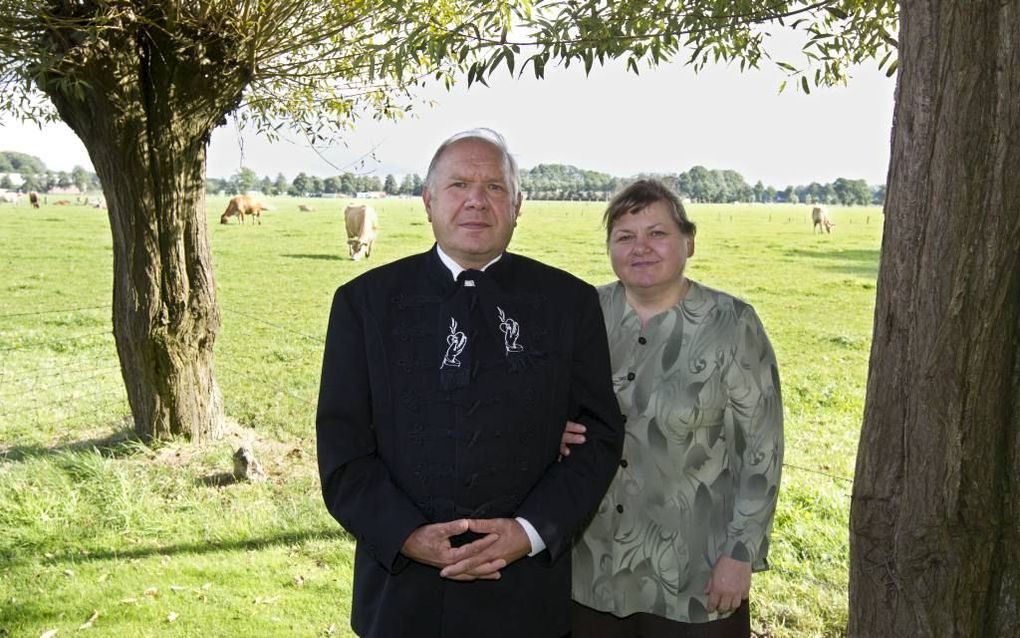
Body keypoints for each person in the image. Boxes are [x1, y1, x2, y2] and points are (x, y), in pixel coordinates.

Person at [316, 128, 624, 638]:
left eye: (495, 187)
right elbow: (343, 447)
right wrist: (408, 535)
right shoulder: (364, 303)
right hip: (402, 594)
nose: (477, 201)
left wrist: (528, 533)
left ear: (518, 205)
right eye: (458, 185)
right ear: (428, 201)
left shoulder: (568, 302)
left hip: (525, 595)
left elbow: (600, 437)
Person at [563, 179, 784, 637]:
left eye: (657, 233)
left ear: (689, 242)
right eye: (625, 236)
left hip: (694, 576)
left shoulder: (732, 325)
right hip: (591, 570)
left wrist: (740, 554)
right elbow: (546, 403)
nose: (640, 248)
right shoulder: (583, 313)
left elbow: (761, 449)